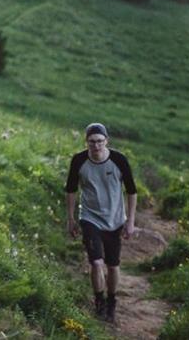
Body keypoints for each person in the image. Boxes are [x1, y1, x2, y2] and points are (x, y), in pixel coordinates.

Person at [65, 122, 139, 323]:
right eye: (92, 142)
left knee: (112, 265)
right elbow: (71, 190)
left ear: (106, 141)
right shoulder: (79, 161)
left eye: (99, 141)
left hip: (115, 219)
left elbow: (132, 192)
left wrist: (130, 222)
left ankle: (111, 302)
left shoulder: (118, 160)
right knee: (96, 262)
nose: (96, 146)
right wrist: (71, 219)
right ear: (86, 142)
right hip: (90, 218)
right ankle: (99, 302)